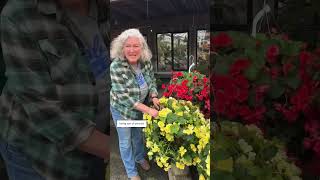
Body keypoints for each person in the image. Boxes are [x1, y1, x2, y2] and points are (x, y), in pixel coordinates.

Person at [0, 0, 110, 180]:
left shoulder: (104, 8)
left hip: (97, 145)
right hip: (42, 154)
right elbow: (45, 111)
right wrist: (115, 148)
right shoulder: (19, 14)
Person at [110, 28, 159, 180]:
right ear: (121, 48)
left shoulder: (145, 62)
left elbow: (151, 80)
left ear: (142, 47)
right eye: (128, 46)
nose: (132, 50)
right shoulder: (116, 67)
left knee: (138, 135)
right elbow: (125, 98)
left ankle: (139, 158)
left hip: (139, 108)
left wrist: (154, 95)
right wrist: (149, 111)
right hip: (122, 111)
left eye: (136, 46)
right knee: (125, 141)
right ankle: (132, 172)